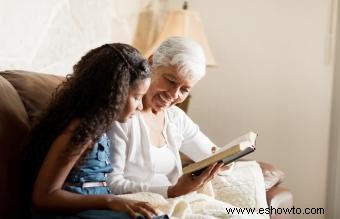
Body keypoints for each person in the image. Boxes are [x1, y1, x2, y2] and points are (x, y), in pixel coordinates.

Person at [25, 43, 168, 219]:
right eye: (137, 97)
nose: (140, 106)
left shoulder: (99, 127)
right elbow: (43, 197)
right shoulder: (79, 130)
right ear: (115, 92)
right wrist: (109, 201)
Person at [108, 37, 226, 198]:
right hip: (138, 206)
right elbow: (110, 184)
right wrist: (172, 192)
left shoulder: (175, 117)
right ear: (150, 63)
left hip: (174, 201)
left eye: (184, 89)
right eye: (170, 80)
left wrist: (226, 160)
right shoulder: (123, 114)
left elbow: (211, 154)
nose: (174, 94)